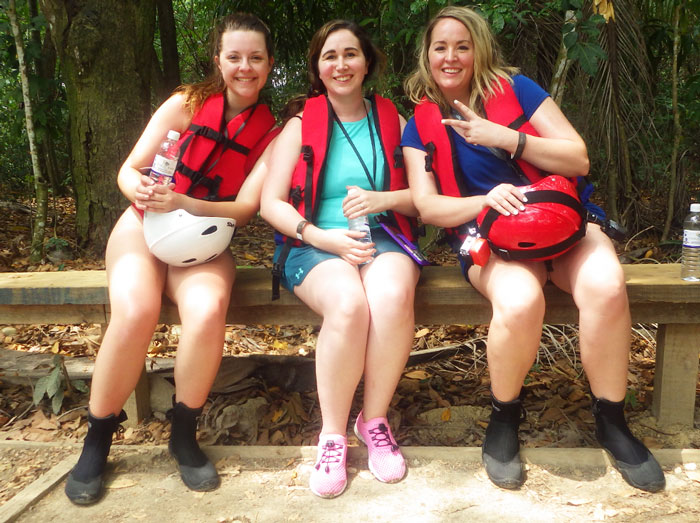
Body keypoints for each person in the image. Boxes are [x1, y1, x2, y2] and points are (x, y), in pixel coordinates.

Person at [402, 6, 665, 492]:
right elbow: (427, 205)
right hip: (490, 237)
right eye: (441, 47)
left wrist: (506, 138)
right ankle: (505, 416)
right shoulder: (420, 123)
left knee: (607, 286)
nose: (451, 57)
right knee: (522, 301)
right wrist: (486, 199)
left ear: (480, 49)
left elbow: (577, 156)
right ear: (427, 55)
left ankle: (612, 419)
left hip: (563, 224)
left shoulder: (518, 91)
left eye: (462, 45)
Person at [64, 13, 277, 505]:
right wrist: (141, 187)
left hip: (204, 239)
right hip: (143, 228)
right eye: (234, 57)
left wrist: (185, 204)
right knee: (136, 312)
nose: (244, 67)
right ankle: (97, 439)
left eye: (255, 58)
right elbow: (128, 170)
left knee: (205, 314)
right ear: (218, 59)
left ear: (268, 64)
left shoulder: (271, 131)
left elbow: (245, 210)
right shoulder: (187, 104)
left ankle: (184, 434)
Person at [260, 20, 421, 498]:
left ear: (367, 62)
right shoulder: (300, 124)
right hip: (312, 242)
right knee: (349, 305)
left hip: (383, 238)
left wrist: (383, 199)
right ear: (317, 67)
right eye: (330, 56)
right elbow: (271, 204)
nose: (341, 64)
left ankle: (372, 421)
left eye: (351, 54)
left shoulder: (393, 119)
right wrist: (324, 239)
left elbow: (422, 199)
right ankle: (332, 434)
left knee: (390, 297)